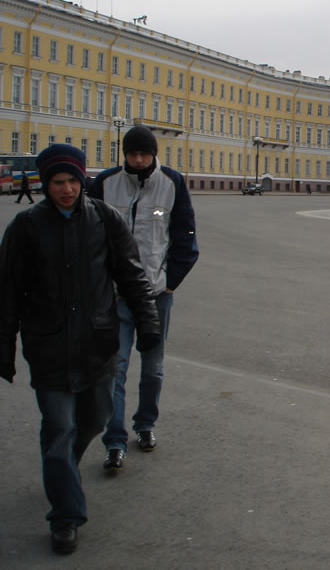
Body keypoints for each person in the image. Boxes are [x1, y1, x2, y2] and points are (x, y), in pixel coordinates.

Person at [0, 144, 159, 554]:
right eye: (58, 182)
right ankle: (65, 516)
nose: (67, 189)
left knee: (94, 420)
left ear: (82, 180)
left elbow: (132, 276)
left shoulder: (105, 219)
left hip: (97, 344)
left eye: (73, 181)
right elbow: (7, 293)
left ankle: (61, 468)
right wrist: (5, 346)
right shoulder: (25, 227)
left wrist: (149, 324)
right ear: (46, 183)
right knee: (59, 429)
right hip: (48, 346)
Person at [87, 125, 198, 472]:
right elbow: (88, 237)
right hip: (115, 295)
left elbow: (186, 235)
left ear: (153, 154)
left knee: (153, 368)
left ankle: (145, 424)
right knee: (114, 369)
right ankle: (114, 441)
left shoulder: (172, 183)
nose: (138, 160)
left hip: (155, 295)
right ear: (124, 154)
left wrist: (169, 283)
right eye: (132, 153)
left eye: (144, 154)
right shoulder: (105, 183)